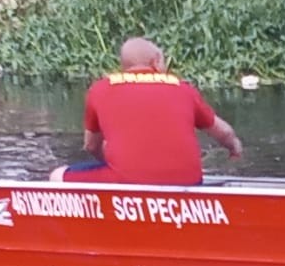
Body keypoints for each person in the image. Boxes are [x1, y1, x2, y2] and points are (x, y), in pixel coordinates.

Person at [49, 38, 242, 185]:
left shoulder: (100, 89)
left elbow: (91, 146)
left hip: (127, 182)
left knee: (57, 176)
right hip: (188, 181)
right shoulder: (182, 87)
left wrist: (115, 162)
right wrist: (234, 147)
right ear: (156, 62)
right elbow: (223, 133)